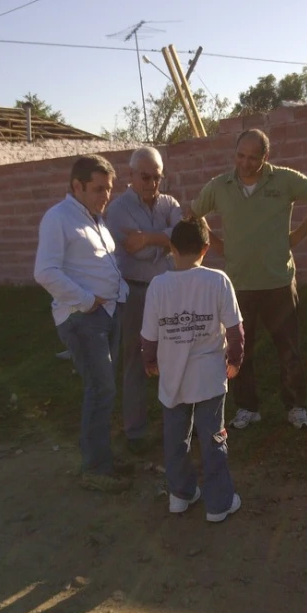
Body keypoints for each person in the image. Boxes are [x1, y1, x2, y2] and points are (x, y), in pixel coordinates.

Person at [190, 129, 307, 431]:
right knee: (240, 351)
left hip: (278, 282)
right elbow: (192, 214)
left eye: (253, 157)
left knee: (289, 350)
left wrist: (297, 235)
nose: (245, 163)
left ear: (265, 157)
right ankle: (247, 408)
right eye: (240, 155)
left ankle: (296, 407)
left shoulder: (283, 180)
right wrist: (217, 246)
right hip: (239, 285)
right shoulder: (220, 186)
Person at [34, 155, 131, 493]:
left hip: (108, 315)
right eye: (98, 188)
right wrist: (88, 300)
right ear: (77, 186)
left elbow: (102, 264)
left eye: (109, 189)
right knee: (100, 388)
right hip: (82, 318)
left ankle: (101, 457)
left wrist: (119, 293)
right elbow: (45, 272)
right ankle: (95, 467)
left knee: (104, 389)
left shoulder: (96, 219)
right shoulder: (57, 219)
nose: (106, 195)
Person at [140, 217, 245, 523]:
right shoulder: (218, 280)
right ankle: (219, 504)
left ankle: (180, 495)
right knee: (214, 439)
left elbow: (148, 335)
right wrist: (235, 360)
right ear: (206, 248)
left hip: (173, 379)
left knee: (175, 439)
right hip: (210, 377)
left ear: (171, 248)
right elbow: (236, 329)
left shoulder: (158, 286)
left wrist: (150, 361)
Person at [105, 146, 182, 453]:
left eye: (157, 176)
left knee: (175, 355)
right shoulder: (118, 209)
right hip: (135, 291)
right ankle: (135, 432)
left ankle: (177, 424)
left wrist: (149, 238)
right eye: (146, 176)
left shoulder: (169, 202)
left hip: (167, 288)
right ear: (131, 175)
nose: (152, 182)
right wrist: (164, 242)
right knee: (136, 360)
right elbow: (136, 250)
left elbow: (182, 235)